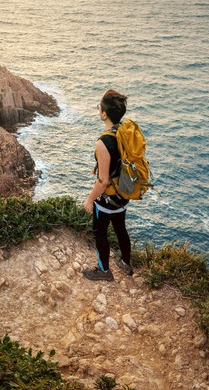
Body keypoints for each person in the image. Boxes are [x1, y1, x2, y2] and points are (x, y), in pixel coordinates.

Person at [82, 89, 134, 281]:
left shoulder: (103, 143)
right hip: (123, 194)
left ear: (104, 114)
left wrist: (89, 200)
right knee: (121, 229)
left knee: (101, 234)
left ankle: (104, 271)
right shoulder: (125, 134)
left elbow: (103, 181)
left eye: (100, 108)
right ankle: (126, 264)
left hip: (106, 201)